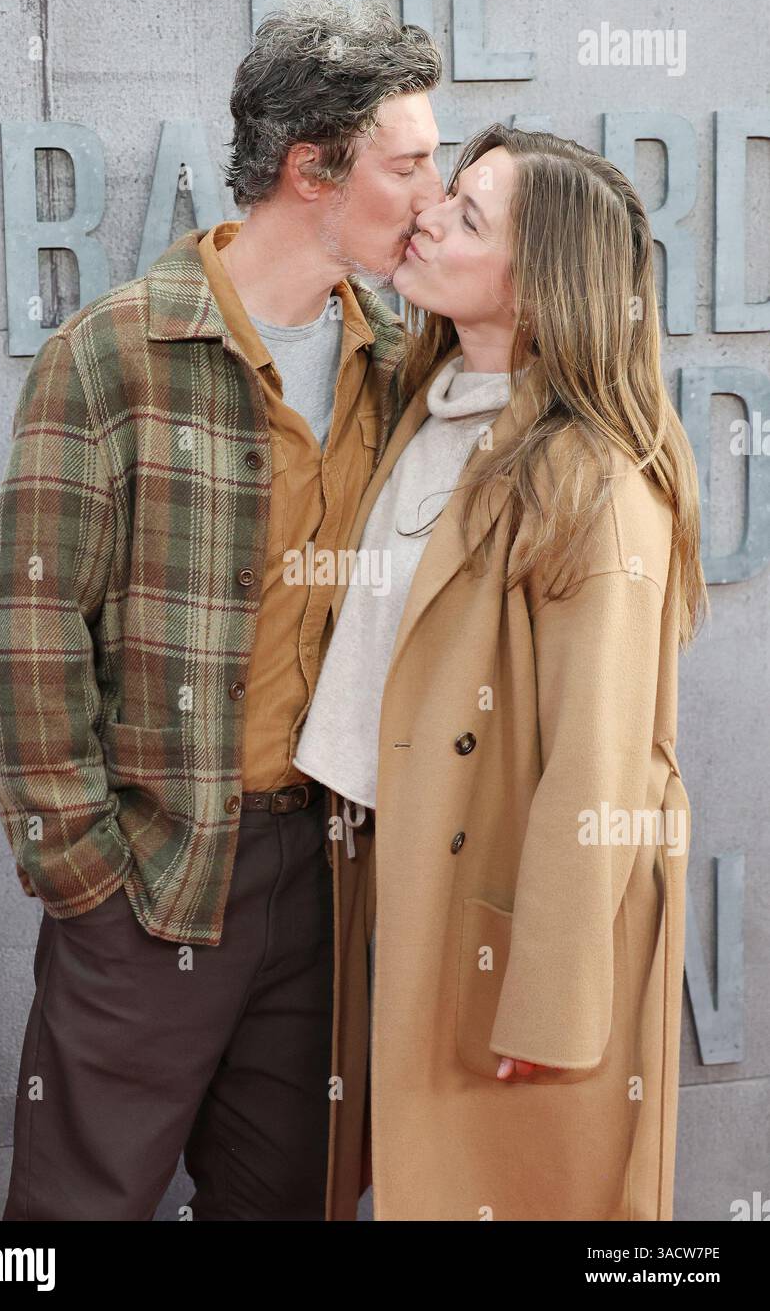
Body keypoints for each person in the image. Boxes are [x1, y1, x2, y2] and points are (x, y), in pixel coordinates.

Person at [0, 0, 444, 1221]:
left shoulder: (400, 367)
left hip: (327, 876)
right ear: (310, 170)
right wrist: (83, 869)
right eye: (407, 164)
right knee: (74, 1217)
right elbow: (28, 633)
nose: (431, 196)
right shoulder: (114, 353)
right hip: (154, 870)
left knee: (288, 1201)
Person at [294, 123, 709, 1220]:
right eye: (445, 196)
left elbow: (599, 762)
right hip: (392, 879)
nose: (427, 215)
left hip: (505, 936)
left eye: (467, 216)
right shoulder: (430, 408)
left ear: (538, 290)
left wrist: (552, 1004)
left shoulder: (596, 482)